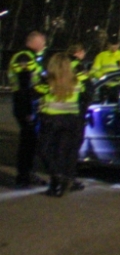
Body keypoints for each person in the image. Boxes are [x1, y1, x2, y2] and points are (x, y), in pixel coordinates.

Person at [35, 53, 87, 197]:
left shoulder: (47, 82)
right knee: (63, 153)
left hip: (51, 120)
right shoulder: (76, 82)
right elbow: (87, 93)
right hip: (72, 121)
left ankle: (57, 178)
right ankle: (62, 181)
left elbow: (34, 93)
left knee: (45, 151)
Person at [7, 31, 47, 188]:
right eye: (42, 42)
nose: (44, 45)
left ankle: (26, 174)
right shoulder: (24, 57)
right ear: (34, 42)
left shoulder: (31, 57)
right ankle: (23, 177)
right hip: (25, 104)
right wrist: (29, 110)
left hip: (27, 103)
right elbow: (25, 85)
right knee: (27, 142)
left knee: (30, 142)